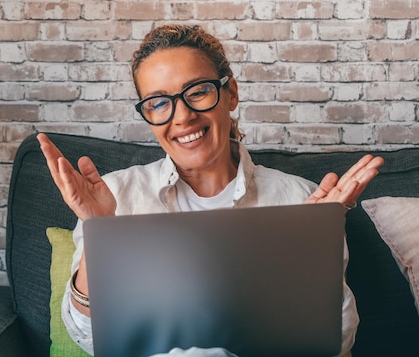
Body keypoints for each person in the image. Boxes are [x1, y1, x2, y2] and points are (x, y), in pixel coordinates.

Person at [37, 24, 384, 357]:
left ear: (230, 92)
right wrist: (102, 238)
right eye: (159, 102)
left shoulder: (300, 201)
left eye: (198, 91)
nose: (182, 116)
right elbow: (89, 341)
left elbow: (337, 340)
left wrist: (310, 247)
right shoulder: (111, 197)